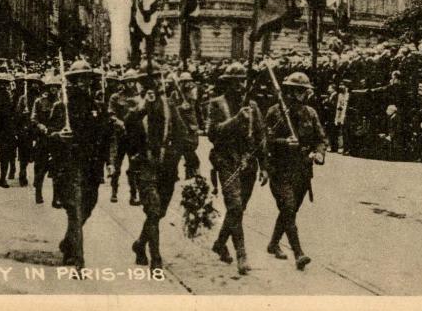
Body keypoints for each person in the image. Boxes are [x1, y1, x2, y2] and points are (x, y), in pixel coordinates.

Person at [51, 60, 114, 271]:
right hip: (71, 165)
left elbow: (106, 136)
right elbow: (48, 136)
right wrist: (59, 135)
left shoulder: (97, 107)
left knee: (89, 205)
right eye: (78, 79)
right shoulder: (63, 107)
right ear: (72, 82)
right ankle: (78, 259)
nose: (83, 83)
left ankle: (69, 240)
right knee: (76, 210)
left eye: (86, 79)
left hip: (92, 166)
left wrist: (110, 162)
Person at [130, 63, 194, 271]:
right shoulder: (135, 104)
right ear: (140, 83)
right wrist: (143, 108)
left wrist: (187, 158)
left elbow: (182, 134)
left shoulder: (169, 105)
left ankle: (140, 244)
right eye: (148, 80)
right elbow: (127, 129)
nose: (154, 83)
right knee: (154, 208)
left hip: (167, 167)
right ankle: (155, 258)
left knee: (159, 212)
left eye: (157, 78)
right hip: (145, 165)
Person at [206, 62, 267, 275]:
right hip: (225, 160)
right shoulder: (216, 104)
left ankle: (220, 242)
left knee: (239, 208)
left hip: (248, 163)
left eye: (243, 81)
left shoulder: (253, 106)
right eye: (237, 82)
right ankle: (241, 254)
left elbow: (260, 136)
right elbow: (213, 133)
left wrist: (264, 166)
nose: (241, 85)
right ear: (228, 84)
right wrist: (235, 120)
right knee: (234, 206)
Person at [264, 71, 324, 270]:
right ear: (288, 91)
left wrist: (319, 153)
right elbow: (265, 141)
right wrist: (283, 142)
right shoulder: (275, 112)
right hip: (280, 169)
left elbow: (321, 139)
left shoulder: (311, 113)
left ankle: (273, 244)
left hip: (302, 172)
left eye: (304, 92)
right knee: (288, 208)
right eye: (297, 91)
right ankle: (299, 253)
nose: (302, 95)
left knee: (290, 211)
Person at [108, 68, 144, 204]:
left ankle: (134, 194)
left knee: (134, 166)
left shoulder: (139, 97)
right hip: (120, 136)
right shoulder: (116, 97)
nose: (131, 83)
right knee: (116, 165)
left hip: (134, 136)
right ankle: (114, 192)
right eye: (128, 81)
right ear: (124, 82)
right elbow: (111, 114)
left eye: (133, 81)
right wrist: (119, 122)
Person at [31, 73, 61, 205]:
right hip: (43, 139)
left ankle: (56, 198)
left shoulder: (62, 103)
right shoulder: (39, 101)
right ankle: (38, 193)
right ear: (47, 88)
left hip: (56, 139)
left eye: (56, 86)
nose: (53, 89)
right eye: (51, 86)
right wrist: (40, 126)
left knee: (57, 170)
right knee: (40, 168)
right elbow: (33, 118)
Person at [15, 72, 42, 187]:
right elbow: (17, 114)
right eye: (32, 84)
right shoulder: (23, 99)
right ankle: (22, 174)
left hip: (37, 128)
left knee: (39, 154)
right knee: (24, 154)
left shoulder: (41, 99)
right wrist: (23, 114)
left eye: (36, 84)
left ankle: (37, 177)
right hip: (25, 129)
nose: (34, 86)